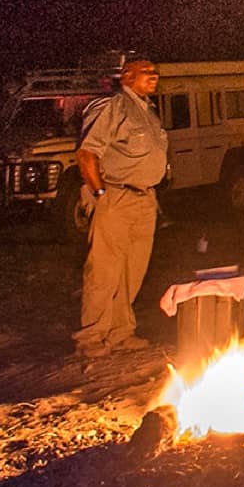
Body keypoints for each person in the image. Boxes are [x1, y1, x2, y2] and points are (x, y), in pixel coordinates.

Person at [73, 58, 167, 358]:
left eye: (155, 73)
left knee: (132, 270)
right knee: (104, 270)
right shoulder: (113, 107)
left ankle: (120, 332)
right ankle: (91, 337)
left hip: (144, 199)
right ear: (127, 77)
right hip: (116, 196)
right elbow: (87, 153)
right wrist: (101, 194)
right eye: (146, 73)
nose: (153, 77)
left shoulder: (148, 111)